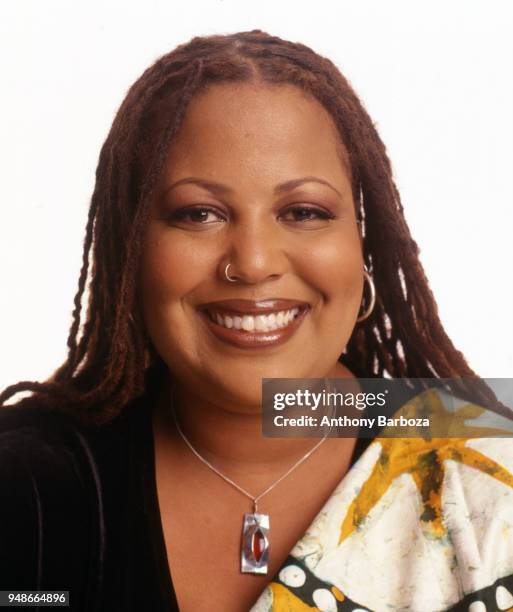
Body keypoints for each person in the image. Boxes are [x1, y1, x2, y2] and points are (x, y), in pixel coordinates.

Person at [1, 30, 512, 612]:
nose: (253, 263)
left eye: (303, 212)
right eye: (199, 214)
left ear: (362, 247)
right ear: (132, 255)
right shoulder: (29, 490)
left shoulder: (490, 467)